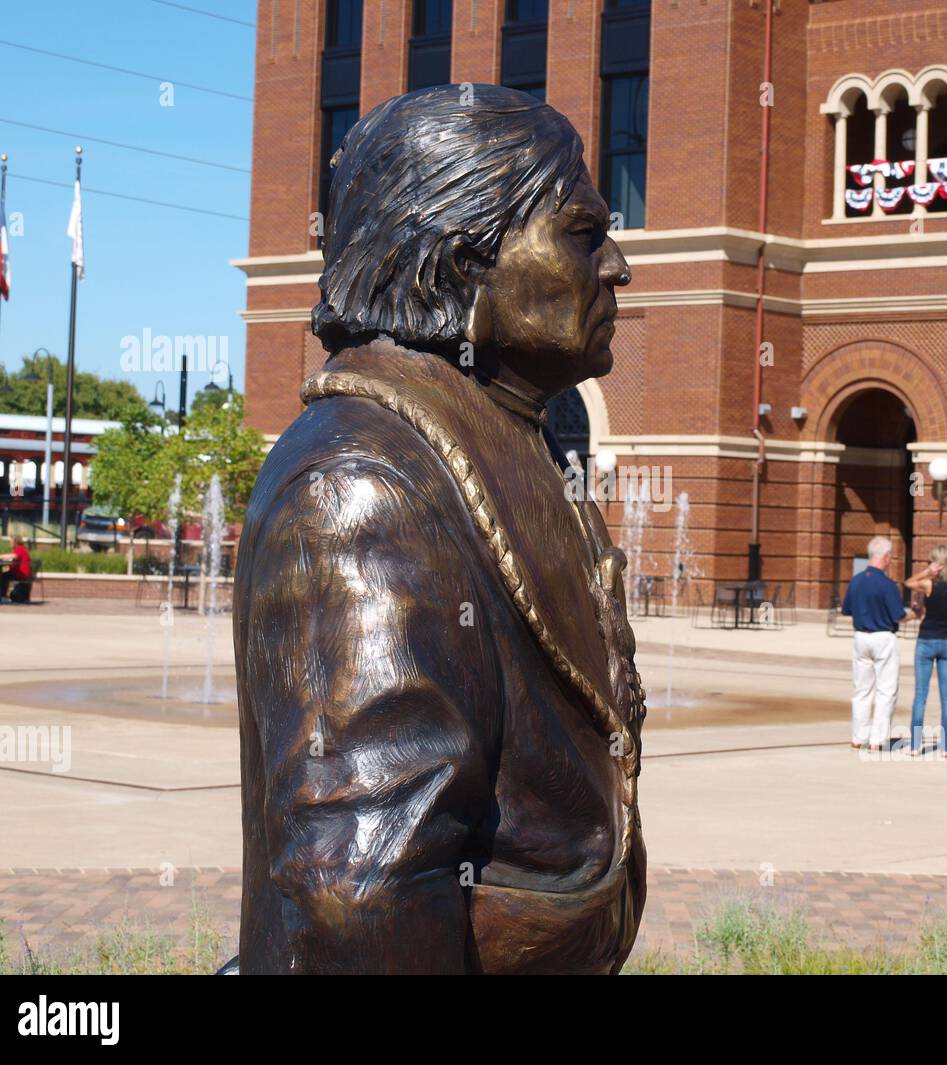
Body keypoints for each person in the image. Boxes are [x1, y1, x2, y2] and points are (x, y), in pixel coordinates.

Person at [229, 86, 644, 975]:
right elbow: (358, 898)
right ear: (460, 265)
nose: (617, 266)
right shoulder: (364, 486)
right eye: (581, 232)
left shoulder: (489, 428)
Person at [841, 536, 918, 752]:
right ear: (885, 556)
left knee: (861, 690)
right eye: (890, 556)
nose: (890, 560)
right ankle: (877, 739)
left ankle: (858, 736)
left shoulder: (855, 580)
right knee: (886, 690)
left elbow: (846, 609)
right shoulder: (887, 584)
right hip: (883, 637)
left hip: (860, 636)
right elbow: (898, 615)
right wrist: (914, 615)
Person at [905, 545, 947, 757]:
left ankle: (915, 746)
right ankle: (945, 747)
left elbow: (908, 583)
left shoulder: (928, 583)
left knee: (920, 695)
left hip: (926, 641)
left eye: (930, 562)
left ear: (937, 564)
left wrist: (926, 572)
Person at [0, 535, 33, 603]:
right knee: (2, 576)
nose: (9, 543)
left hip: (21, 574)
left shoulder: (19, 549)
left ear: (15, 542)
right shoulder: (19, 549)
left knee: (1, 577)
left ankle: (2, 597)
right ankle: (3, 596)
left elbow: (14, 556)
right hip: (18, 572)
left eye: (10, 542)